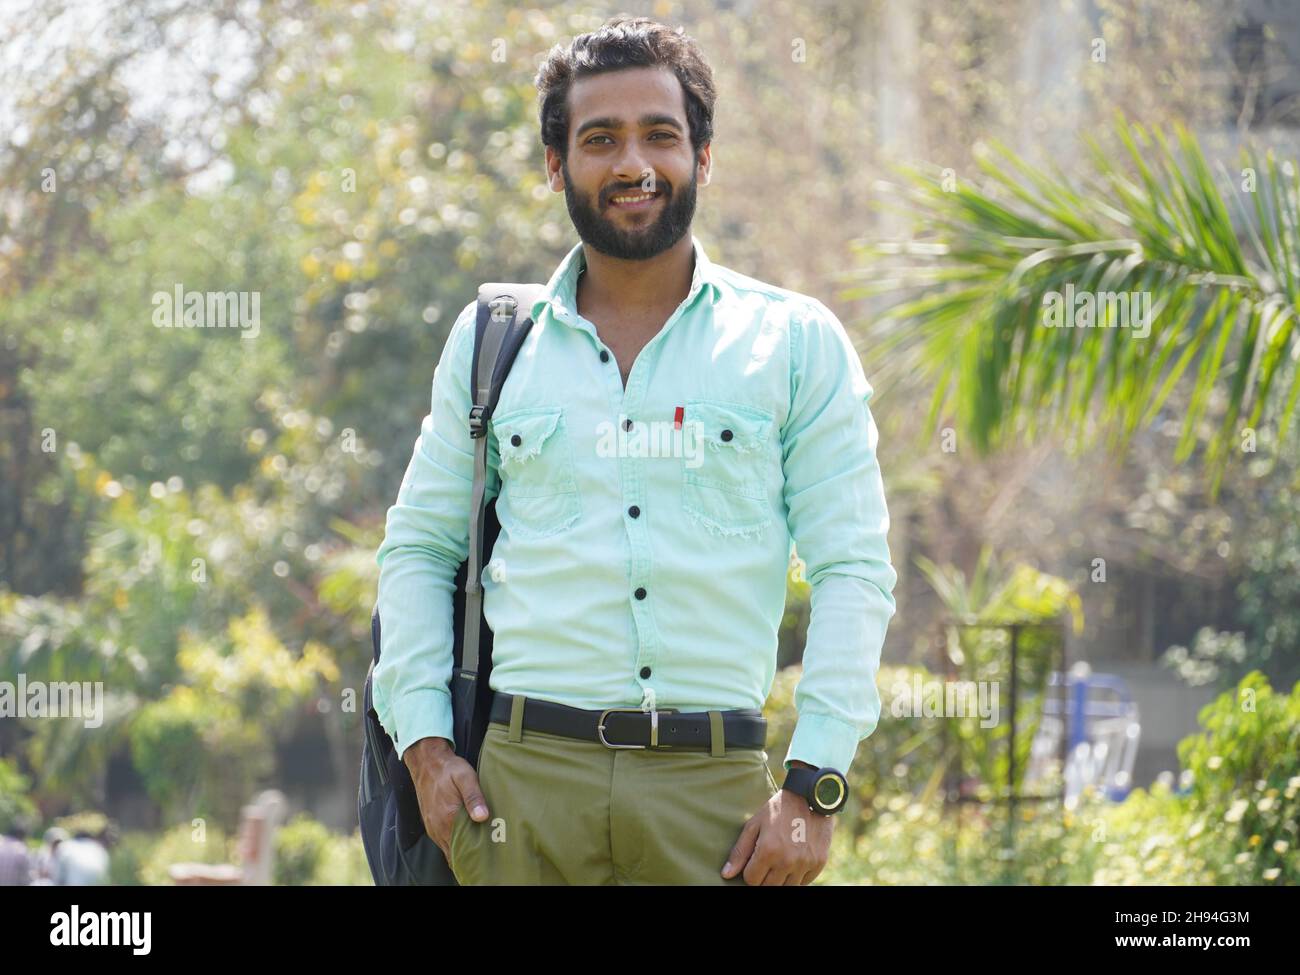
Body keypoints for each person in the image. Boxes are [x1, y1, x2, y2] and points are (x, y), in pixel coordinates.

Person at [373, 15, 897, 886]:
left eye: (662, 135)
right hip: (519, 798)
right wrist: (425, 747)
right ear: (555, 165)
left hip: (716, 802)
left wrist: (813, 787)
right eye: (599, 139)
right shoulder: (492, 343)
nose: (633, 165)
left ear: (702, 156)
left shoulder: (795, 343)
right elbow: (421, 548)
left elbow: (854, 567)